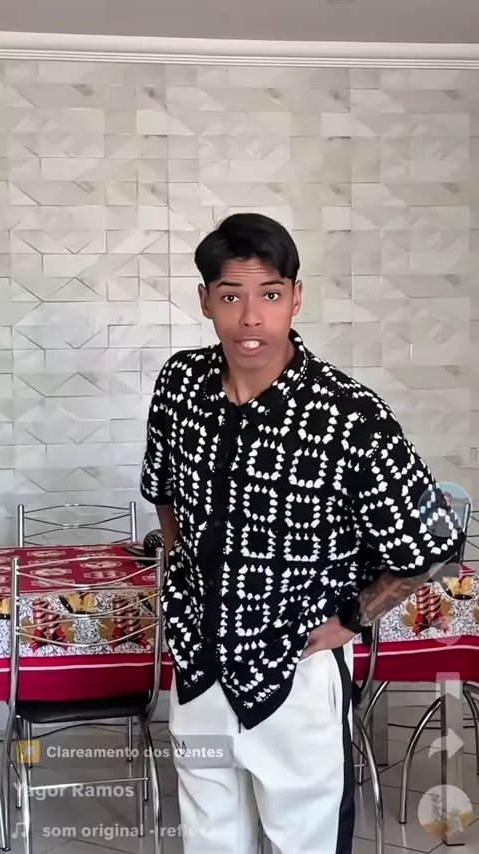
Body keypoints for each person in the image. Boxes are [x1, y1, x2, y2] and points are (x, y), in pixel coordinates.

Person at [141, 213, 464, 854]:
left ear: (296, 298)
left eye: (269, 294)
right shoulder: (180, 385)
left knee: (305, 841)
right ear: (205, 300)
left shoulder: (348, 415)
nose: (250, 318)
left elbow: (433, 542)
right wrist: (187, 580)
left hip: (298, 672)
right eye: (231, 296)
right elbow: (167, 495)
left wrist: (352, 618)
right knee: (208, 837)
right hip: (199, 668)